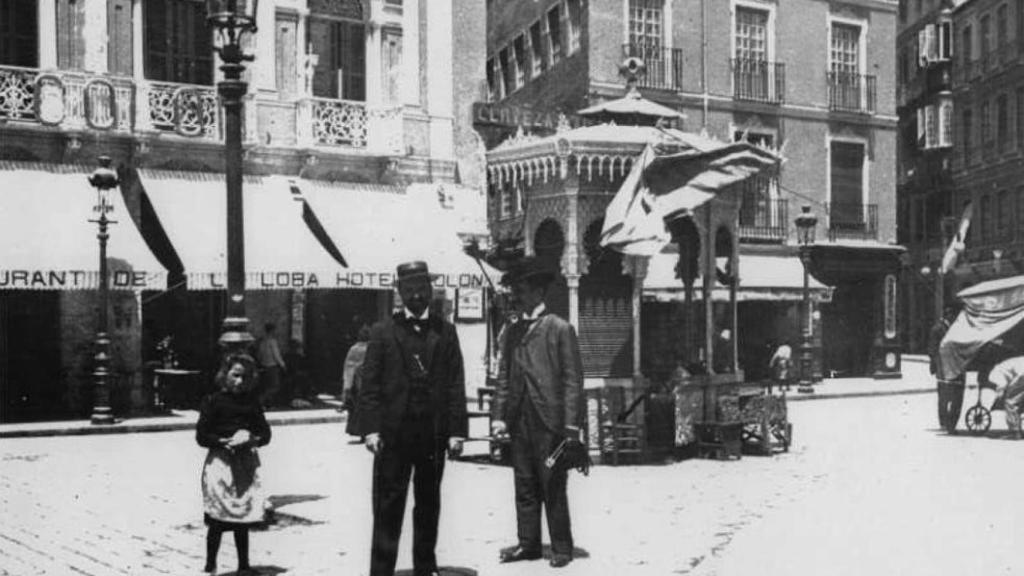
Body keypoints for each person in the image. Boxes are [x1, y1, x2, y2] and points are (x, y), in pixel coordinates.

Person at [359, 261, 468, 576]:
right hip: (394, 435)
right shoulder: (382, 332)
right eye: (410, 289)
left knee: (429, 503)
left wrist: (456, 432)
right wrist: (371, 430)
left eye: (422, 288)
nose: (417, 295)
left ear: (431, 290)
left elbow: (455, 384)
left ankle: (425, 566)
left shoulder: (445, 332)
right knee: (387, 505)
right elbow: (371, 386)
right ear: (400, 292)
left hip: (432, 433)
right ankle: (381, 571)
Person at [490, 257, 584, 569]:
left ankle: (561, 547)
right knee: (524, 482)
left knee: (552, 482)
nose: (516, 295)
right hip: (520, 421)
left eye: (522, 289)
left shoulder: (560, 328)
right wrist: (499, 417)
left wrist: (571, 429)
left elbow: (573, 381)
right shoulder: (513, 332)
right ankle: (528, 544)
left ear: (539, 291)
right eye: (515, 289)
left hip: (550, 422)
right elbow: (503, 376)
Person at [195, 353, 271, 576]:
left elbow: (265, 433)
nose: (239, 381)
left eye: (244, 377)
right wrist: (221, 442)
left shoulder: (252, 402)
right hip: (221, 463)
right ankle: (211, 564)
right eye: (235, 375)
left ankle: (244, 565)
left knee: (242, 515)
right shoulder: (212, 401)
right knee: (218, 516)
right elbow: (201, 436)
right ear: (225, 375)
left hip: (245, 463)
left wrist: (252, 438)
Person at [930, 306, 963, 434]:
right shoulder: (938, 329)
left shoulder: (958, 328)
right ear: (948, 314)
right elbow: (932, 349)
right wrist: (935, 365)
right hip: (943, 366)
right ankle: (944, 422)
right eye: (953, 315)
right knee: (944, 395)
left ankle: (952, 424)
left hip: (957, 365)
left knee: (957, 396)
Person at [342, 326, 371, 438]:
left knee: (356, 409)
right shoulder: (371, 347)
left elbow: (348, 367)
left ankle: (359, 432)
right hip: (367, 382)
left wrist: (347, 387)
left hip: (355, 383)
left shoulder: (354, 349)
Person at [986, 355, 1024, 440]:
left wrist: (998, 397)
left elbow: (1002, 385)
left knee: (1010, 402)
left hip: (1022, 374)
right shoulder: (1005, 364)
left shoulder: (994, 373)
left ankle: (1015, 433)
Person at [256, 323, 287, 408]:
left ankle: (268, 404)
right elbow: (276, 355)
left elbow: (259, 355)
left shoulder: (262, 342)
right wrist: (283, 365)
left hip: (264, 365)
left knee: (267, 386)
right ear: (272, 331)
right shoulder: (272, 341)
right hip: (272, 366)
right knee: (274, 386)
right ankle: (261, 401)